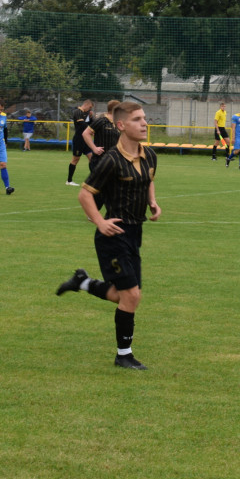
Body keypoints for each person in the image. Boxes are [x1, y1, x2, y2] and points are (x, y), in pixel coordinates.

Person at [55, 101, 161, 370]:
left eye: (144, 118)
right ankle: (123, 355)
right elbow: (85, 194)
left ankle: (83, 283)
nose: (144, 123)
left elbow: (148, 179)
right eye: (137, 119)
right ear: (121, 125)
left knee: (120, 295)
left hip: (135, 232)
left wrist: (153, 202)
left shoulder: (150, 156)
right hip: (113, 234)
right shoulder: (110, 159)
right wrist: (100, 222)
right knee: (132, 296)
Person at [84, 100, 121, 172]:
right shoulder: (102, 121)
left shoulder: (117, 123)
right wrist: (94, 148)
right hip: (100, 161)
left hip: (113, 161)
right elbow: (85, 133)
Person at [67, 100, 94, 186]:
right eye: (90, 107)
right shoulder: (77, 112)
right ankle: (69, 181)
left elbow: (90, 123)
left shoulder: (87, 113)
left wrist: (92, 117)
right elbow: (82, 124)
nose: (90, 109)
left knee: (92, 158)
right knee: (75, 159)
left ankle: (94, 180)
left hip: (86, 139)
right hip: (79, 139)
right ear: (86, 105)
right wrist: (91, 130)